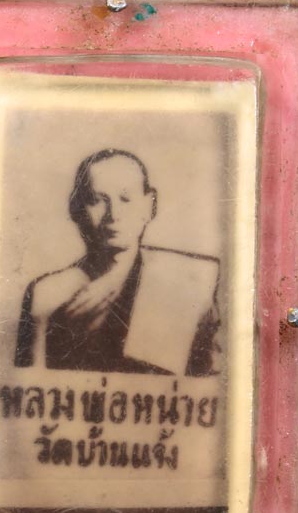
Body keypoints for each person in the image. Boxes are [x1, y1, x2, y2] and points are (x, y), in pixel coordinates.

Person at [15, 149, 220, 376]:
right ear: (76, 209)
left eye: (126, 199)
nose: (113, 214)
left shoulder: (187, 283)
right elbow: (28, 389)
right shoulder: (47, 295)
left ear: (150, 205)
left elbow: (208, 385)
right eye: (97, 201)